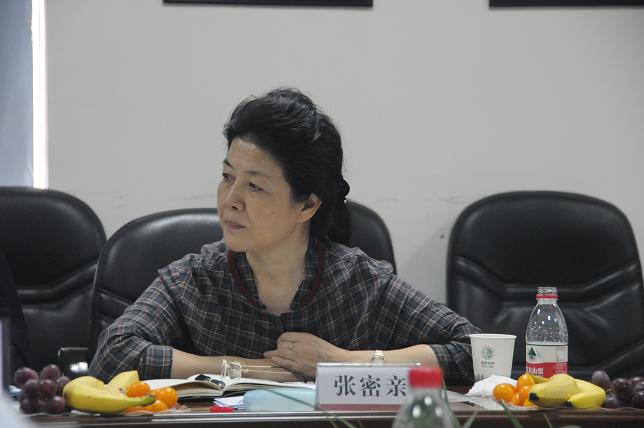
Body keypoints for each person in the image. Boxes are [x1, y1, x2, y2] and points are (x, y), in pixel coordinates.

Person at [90, 88, 480, 385]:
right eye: (227, 177)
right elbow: (113, 354)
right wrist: (247, 369)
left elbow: (476, 352)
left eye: (254, 186)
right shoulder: (195, 279)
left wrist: (341, 362)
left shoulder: (360, 284)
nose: (230, 200)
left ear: (306, 205)